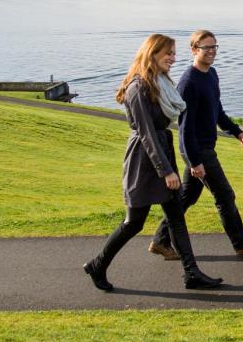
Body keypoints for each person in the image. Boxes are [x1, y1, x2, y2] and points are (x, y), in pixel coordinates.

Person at [83, 33, 223, 291]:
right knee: (134, 222)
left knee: (176, 216)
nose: (173, 57)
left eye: (173, 52)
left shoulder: (160, 82)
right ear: (152, 54)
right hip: (144, 161)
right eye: (167, 53)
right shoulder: (138, 88)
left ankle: (192, 273)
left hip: (162, 151)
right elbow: (146, 134)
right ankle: (97, 265)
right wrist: (167, 170)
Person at [147, 28, 243, 261]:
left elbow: (217, 111)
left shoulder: (211, 74)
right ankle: (242, 243)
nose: (212, 51)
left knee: (186, 198)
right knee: (225, 196)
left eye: (215, 47)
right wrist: (194, 161)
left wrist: (236, 131)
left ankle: (160, 241)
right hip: (199, 152)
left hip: (203, 149)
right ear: (194, 50)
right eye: (207, 47)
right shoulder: (188, 82)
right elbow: (185, 129)